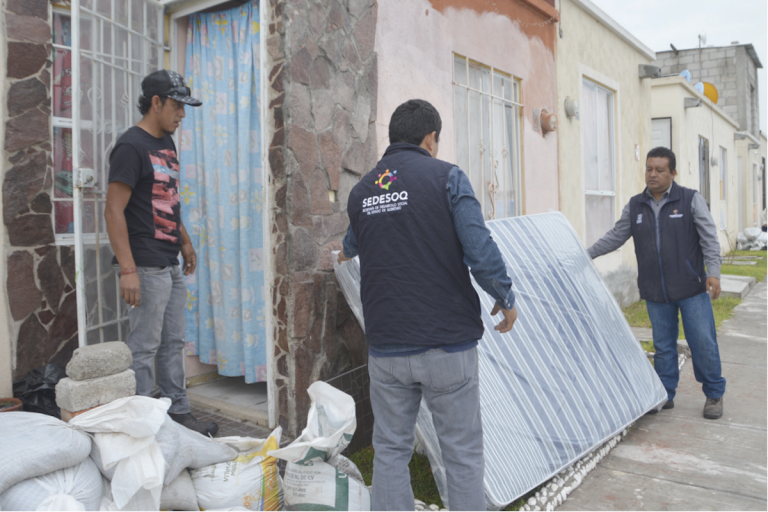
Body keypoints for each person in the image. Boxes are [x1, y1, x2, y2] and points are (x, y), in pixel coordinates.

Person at [338, 99, 518, 510]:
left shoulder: (363, 191)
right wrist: (504, 296)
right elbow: (480, 251)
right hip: (446, 345)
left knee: (390, 450)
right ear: (430, 138)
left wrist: (353, 246)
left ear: (393, 137)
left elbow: (350, 246)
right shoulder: (447, 178)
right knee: (462, 453)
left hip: (386, 347)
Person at [105, 70, 217, 436]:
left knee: (173, 343)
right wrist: (127, 269)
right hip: (144, 263)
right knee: (144, 347)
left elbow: (168, 199)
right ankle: (142, 426)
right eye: (177, 105)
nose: (182, 114)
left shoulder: (166, 144)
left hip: (168, 259)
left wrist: (184, 240)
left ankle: (178, 414)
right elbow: (113, 210)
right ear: (156, 102)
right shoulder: (130, 146)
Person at [588, 146, 726, 420]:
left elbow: (709, 238)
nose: (652, 174)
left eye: (659, 170)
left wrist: (714, 272)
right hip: (655, 291)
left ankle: (714, 393)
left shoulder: (690, 199)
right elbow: (616, 236)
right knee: (663, 346)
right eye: (649, 169)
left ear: (673, 173)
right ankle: (665, 393)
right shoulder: (636, 205)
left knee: (702, 342)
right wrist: (587, 254)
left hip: (691, 288)